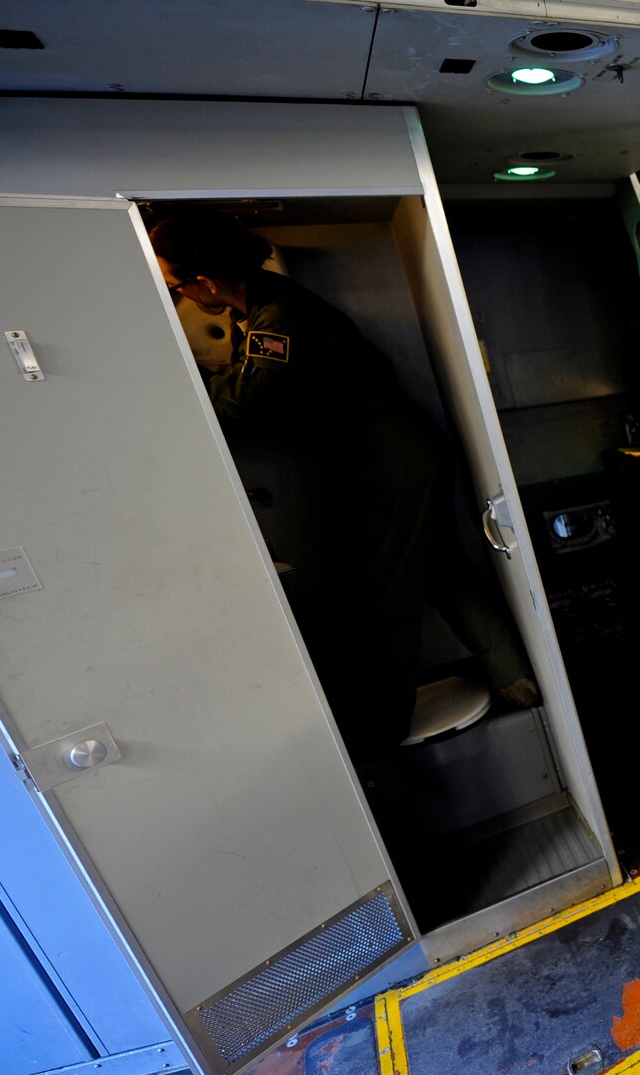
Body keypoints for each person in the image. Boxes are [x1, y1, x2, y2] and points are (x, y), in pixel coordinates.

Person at [148, 210, 537, 760]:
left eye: (175, 286)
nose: (180, 297)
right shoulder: (263, 309)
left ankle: (381, 729)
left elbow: (239, 404)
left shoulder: (277, 316)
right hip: (389, 452)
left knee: (387, 593)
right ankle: (518, 680)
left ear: (205, 281)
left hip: (388, 456)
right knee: (438, 568)